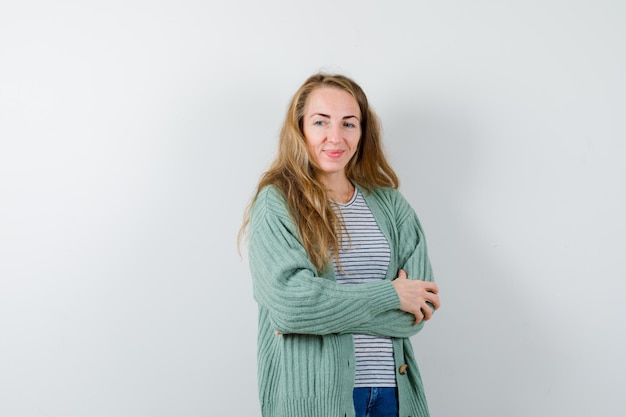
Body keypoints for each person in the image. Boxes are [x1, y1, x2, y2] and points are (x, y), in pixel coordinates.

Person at [239, 73, 441, 417]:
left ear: (363, 133)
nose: (335, 137)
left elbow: (417, 312)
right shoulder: (277, 203)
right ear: (300, 128)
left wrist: (318, 312)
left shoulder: (390, 205)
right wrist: (391, 295)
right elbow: (291, 305)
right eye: (321, 122)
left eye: (349, 124)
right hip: (315, 398)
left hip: (392, 395)